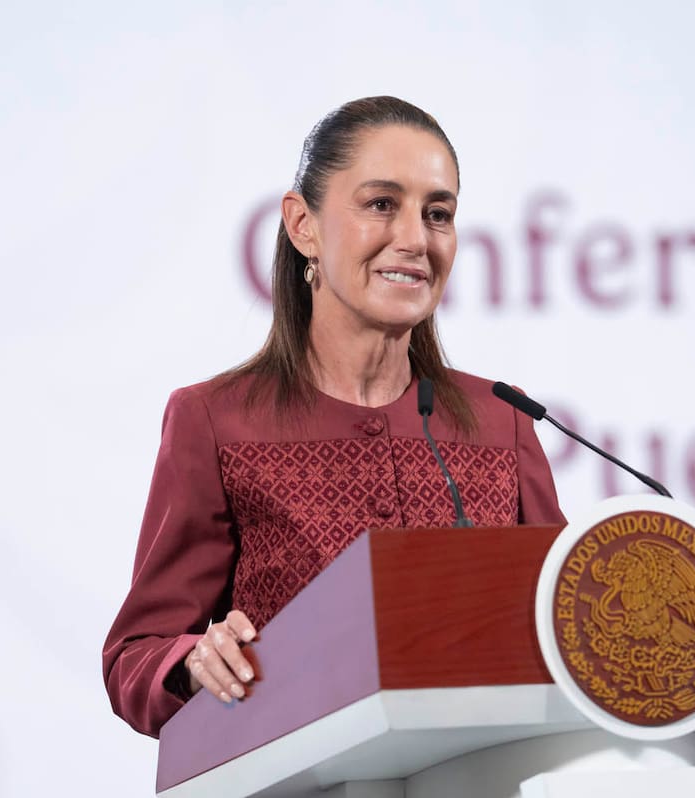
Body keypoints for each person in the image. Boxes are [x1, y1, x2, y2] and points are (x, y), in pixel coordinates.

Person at [103, 96, 565, 738]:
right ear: (303, 225)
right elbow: (135, 656)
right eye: (381, 204)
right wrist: (193, 661)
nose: (415, 239)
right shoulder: (215, 420)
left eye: (438, 214)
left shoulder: (500, 419)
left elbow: (566, 627)